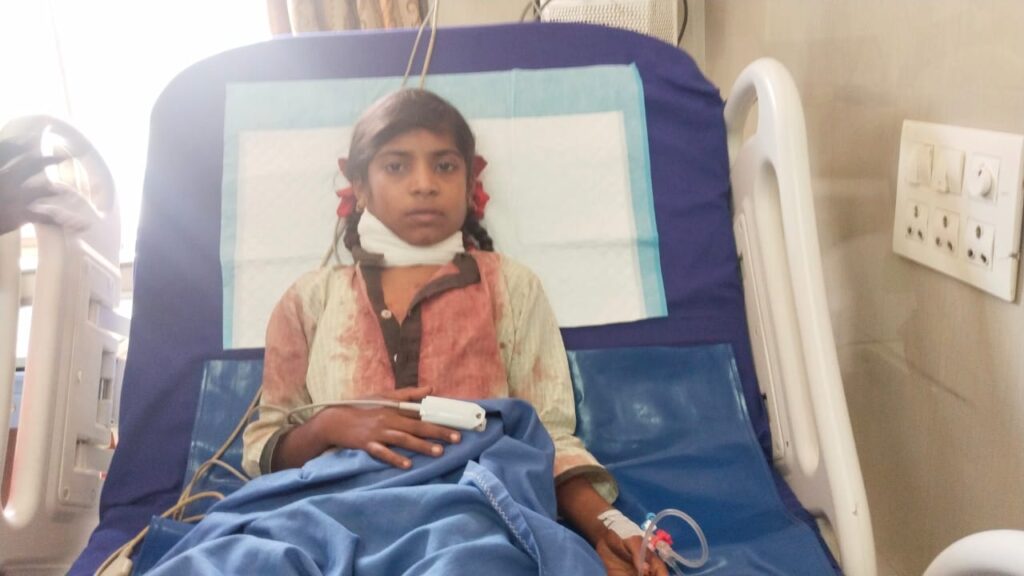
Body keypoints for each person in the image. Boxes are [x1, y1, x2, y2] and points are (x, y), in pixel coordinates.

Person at [242, 89, 667, 576]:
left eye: (444, 166)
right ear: (358, 185)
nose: (424, 184)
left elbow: (548, 439)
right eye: (396, 166)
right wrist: (327, 426)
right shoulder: (309, 300)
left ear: (470, 184)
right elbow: (263, 450)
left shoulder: (511, 287)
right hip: (327, 515)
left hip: (473, 514)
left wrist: (612, 526)